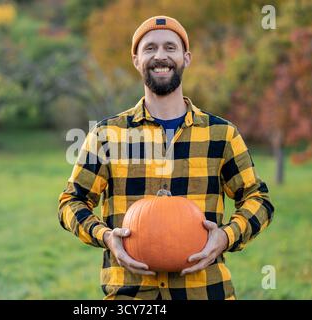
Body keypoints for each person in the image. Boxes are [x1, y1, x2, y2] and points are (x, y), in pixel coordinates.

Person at [58, 15, 275, 300]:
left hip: (205, 292)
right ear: (136, 59)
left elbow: (258, 199)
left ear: (186, 58)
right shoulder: (107, 135)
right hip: (130, 295)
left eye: (170, 48)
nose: (160, 56)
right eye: (150, 48)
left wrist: (226, 236)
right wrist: (106, 236)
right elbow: (71, 202)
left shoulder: (221, 134)